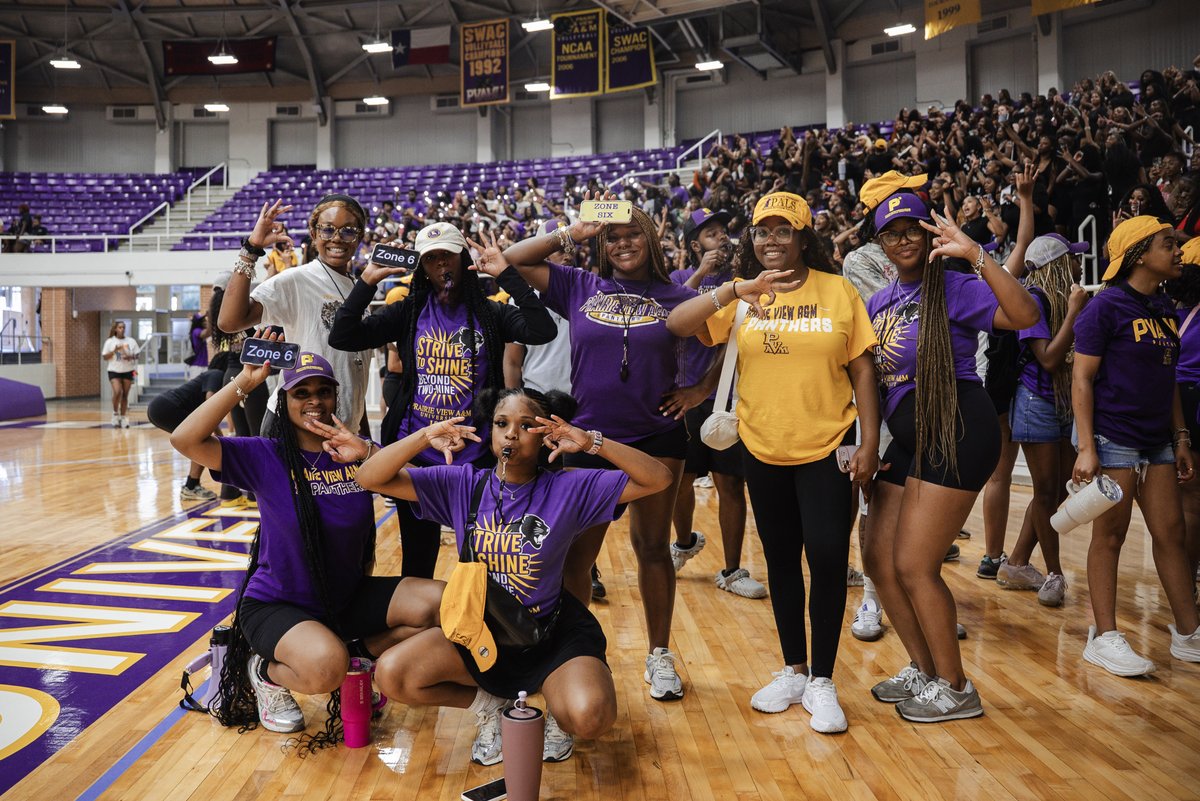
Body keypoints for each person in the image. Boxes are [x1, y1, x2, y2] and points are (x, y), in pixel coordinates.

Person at [355, 387, 672, 764]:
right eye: (502, 424)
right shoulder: (463, 484)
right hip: (482, 633)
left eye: (526, 425)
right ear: (489, 432)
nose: (511, 434)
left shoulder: (569, 486)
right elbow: (369, 478)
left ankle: (557, 711)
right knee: (393, 674)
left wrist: (591, 443)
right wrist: (424, 436)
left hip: (549, 634)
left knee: (591, 717)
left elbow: (659, 478)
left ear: (545, 435)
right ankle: (491, 704)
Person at [666, 192, 880, 733]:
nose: (771, 241)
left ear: (804, 237)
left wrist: (870, 439)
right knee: (781, 561)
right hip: (763, 448)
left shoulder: (838, 291)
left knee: (829, 559)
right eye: (762, 232)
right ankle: (794, 668)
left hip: (828, 447)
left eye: (784, 231)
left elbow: (862, 370)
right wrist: (735, 289)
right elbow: (677, 323)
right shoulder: (743, 297)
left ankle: (824, 680)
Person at [168, 345, 444, 745]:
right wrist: (244, 382)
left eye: (323, 391)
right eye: (302, 392)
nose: (314, 400)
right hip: (277, 605)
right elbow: (184, 438)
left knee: (438, 603)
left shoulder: (353, 452)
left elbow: (424, 485)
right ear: (285, 401)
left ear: (336, 396)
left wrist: (367, 450)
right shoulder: (266, 455)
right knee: (324, 668)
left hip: (343, 599)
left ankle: (352, 655)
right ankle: (264, 671)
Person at [500, 202, 700, 702]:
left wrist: (698, 392)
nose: (623, 244)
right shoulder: (579, 286)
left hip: (656, 437)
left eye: (633, 235)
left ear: (652, 239)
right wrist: (574, 230)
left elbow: (726, 341)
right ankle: (571, 655)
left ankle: (659, 657)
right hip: (585, 437)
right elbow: (514, 258)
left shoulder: (680, 295)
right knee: (574, 556)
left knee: (652, 548)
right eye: (612, 238)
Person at [864, 192, 1039, 723]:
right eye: (891, 233)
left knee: (915, 565)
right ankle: (925, 667)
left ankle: (958, 687)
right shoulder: (878, 301)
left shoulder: (955, 286)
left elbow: (1025, 314)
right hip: (909, 436)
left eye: (912, 229)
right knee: (877, 560)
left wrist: (975, 255)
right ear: (881, 244)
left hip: (956, 425)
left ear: (928, 233)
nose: (903, 240)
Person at [327, 224, 556, 580]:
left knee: (483, 551)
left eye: (446, 255)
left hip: (477, 454)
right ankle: (417, 627)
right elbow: (343, 335)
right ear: (422, 267)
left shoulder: (490, 314)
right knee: (418, 556)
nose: (440, 265)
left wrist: (507, 275)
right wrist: (367, 280)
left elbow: (543, 329)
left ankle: (478, 625)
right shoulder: (408, 312)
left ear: (462, 258)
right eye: (431, 258)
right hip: (416, 451)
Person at [1072, 217, 1200, 676]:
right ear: (1140, 254)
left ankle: (1188, 634)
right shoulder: (1104, 308)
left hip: (1157, 441)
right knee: (1110, 537)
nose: (1178, 250)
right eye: (1169, 244)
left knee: (1171, 534)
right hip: (1113, 439)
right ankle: (1102, 636)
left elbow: (1166, 381)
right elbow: (1081, 378)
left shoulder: (1164, 308)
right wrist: (1087, 447)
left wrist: (1180, 436)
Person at [665, 207, 765, 599]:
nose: (721, 237)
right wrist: (700, 276)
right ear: (694, 244)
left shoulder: (743, 283)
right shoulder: (678, 279)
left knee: (730, 483)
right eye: (710, 233)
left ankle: (732, 569)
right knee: (681, 483)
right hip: (681, 395)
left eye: (723, 231)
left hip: (726, 395)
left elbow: (732, 341)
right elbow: (676, 317)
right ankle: (685, 542)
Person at [217, 195, 374, 435]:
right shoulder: (297, 280)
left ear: (360, 236)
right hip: (294, 426)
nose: (336, 238)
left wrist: (360, 429)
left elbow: (353, 373)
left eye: (348, 231)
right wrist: (251, 248)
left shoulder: (360, 290)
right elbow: (230, 321)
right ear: (313, 233)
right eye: (327, 229)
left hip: (342, 431)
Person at [995, 234, 1090, 606]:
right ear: (1059, 264)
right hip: (1035, 403)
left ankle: (1017, 561)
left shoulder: (1066, 299)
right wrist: (1073, 314)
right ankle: (1055, 574)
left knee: (1055, 492)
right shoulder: (1033, 299)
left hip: (1062, 403)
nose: (1080, 265)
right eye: (1075, 258)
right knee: (1046, 493)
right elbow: (1048, 358)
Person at [1167, 237, 1200, 586]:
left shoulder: (1166, 312)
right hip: (1192, 403)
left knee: (1187, 499)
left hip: (1175, 402)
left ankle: (1186, 580)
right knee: (1192, 500)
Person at [146, 358, 226, 501]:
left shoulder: (209, 375)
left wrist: (219, 436)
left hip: (159, 406)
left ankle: (191, 485)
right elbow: (211, 402)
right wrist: (220, 436)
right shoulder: (217, 374)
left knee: (201, 438)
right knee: (199, 440)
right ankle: (191, 486)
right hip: (166, 406)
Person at [101, 320, 140, 428]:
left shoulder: (131, 341)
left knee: (125, 395)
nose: (122, 329)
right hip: (114, 370)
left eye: (123, 327)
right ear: (115, 329)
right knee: (117, 391)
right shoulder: (110, 341)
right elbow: (105, 357)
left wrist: (130, 357)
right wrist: (115, 350)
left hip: (128, 370)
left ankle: (123, 417)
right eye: (120, 327)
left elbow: (137, 355)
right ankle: (115, 413)